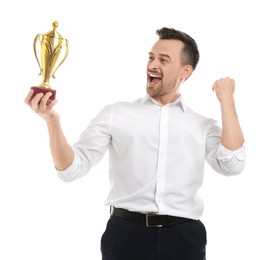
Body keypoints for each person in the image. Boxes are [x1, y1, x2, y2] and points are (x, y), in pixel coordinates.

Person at [25, 27, 246, 260]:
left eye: (163, 59)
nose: (152, 65)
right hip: (125, 236)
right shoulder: (116, 114)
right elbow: (71, 170)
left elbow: (232, 164)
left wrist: (226, 99)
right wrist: (52, 122)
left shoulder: (202, 125)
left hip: (184, 239)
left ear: (185, 71)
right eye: (151, 57)